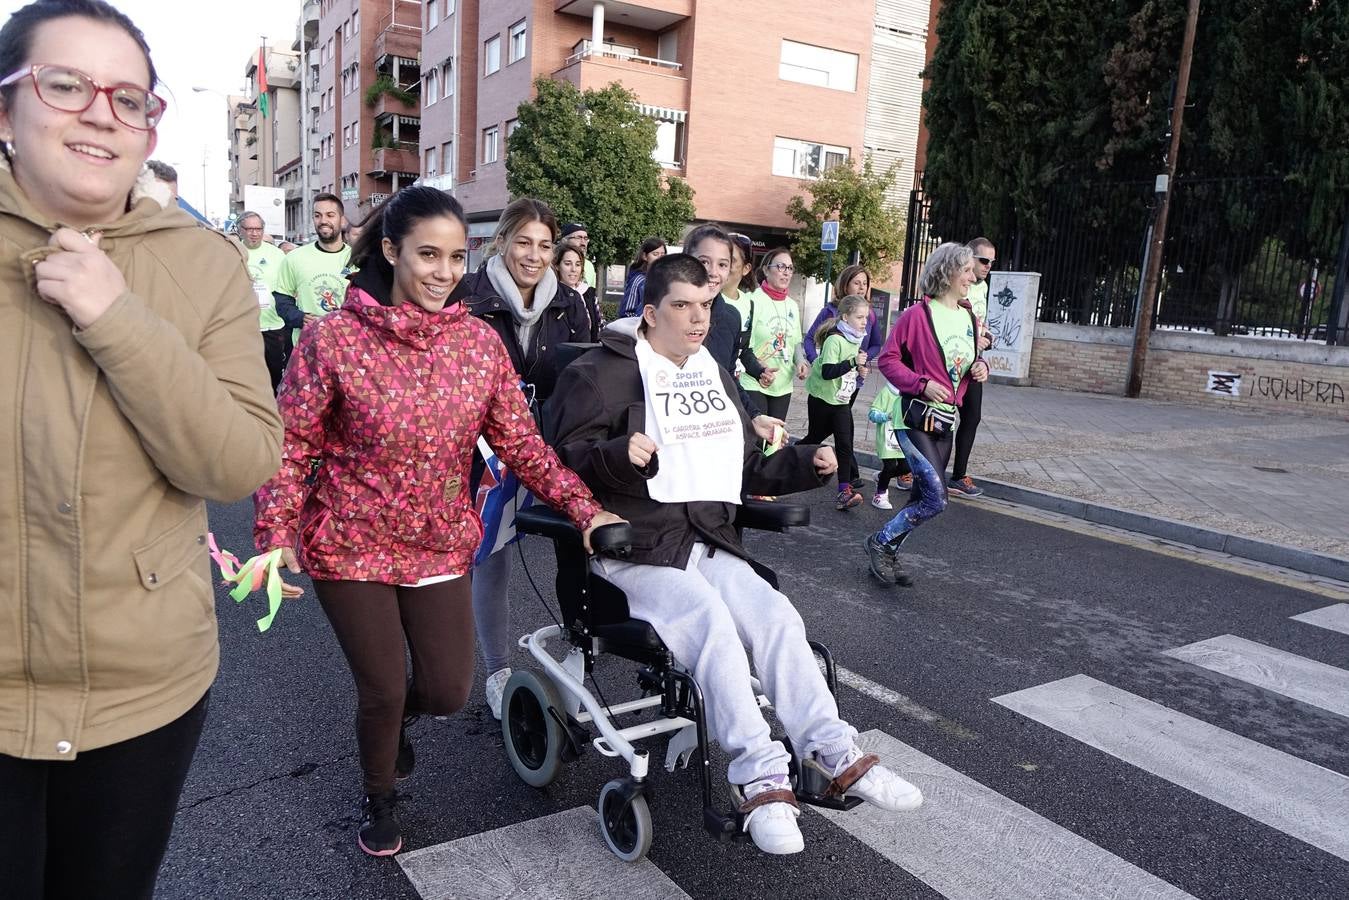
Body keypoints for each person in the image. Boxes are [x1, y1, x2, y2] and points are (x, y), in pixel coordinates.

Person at [0, 3, 283, 897]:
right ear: (5, 110)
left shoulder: (203, 266)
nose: (100, 113)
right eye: (65, 84)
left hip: (145, 688)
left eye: (130, 98)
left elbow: (238, 462)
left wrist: (117, 319)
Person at [254, 186, 620, 857]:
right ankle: (379, 794)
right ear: (392, 251)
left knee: (448, 690)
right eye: (427, 254)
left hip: (437, 541)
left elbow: (521, 444)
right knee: (383, 687)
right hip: (348, 541)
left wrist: (581, 505)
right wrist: (276, 532)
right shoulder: (332, 339)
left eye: (455, 257)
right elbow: (292, 442)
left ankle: (394, 727)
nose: (443, 271)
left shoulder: (478, 344)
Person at [547, 254, 923, 857]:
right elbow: (561, 466)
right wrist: (619, 453)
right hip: (633, 549)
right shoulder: (596, 375)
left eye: (706, 306)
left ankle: (832, 748)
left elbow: (741, 466)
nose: (699, 320)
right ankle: (760, 776)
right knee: (710, 621)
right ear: (650, 312)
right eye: (682, 307)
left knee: (776, 615)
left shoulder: (711, 373)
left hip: (705, 538)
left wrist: (805, 463)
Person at [456, 197, 594, 720]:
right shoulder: (468, 296)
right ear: (503, 241)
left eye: (544, 245)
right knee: (490, 553)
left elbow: (586, 376)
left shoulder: (571, 304)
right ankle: (495, 671)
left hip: (549, 441)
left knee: (575, 537)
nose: (534, 256)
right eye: (524, 243)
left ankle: (579, 645)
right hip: (483, 445)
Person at [867, 242, 989, 586]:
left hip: (945, 422)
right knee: (936, 498)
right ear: (946, 271)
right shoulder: (916, 316)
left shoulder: (968, 316)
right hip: (915, 419)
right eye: (965, 270)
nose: (971, 276)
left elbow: (968, 361)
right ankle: (878, 543)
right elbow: (888, 360)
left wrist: (981, 366)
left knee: (921, 499)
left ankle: (888, 551)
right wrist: (920, 384)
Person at [801, 294, 871, 510]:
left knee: (845, 443)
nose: (864, 322)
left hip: (840, 401)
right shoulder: (834, 340)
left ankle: (844, 490)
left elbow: (847, 372)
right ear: (846, 317)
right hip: (822, 399)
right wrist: (852, 362)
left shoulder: (854, 338)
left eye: (866, 318)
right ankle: (790, 456)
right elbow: (830, 371)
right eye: (859, 317)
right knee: (815, 438)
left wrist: (860, 371)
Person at [948, 237, 997, 497]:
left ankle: (958, 476)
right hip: (950, 361)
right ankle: (905, 469)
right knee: (937, 419)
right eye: (983, 260)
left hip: (973, 362)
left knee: (971, 417)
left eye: (992, 261)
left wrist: (985, 336)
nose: (988, 266)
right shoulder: (956, 284)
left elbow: (977, 322)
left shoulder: (984, 287)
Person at [273, 192, 353, 345]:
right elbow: (282, 300)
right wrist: (299, 317)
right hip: (307, 348)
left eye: (330, 215)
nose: (323, 221)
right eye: (317, 215)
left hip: (346, 347)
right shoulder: (294, 257)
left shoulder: (357, 258)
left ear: (342, 220)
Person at [738, 247, 808, 421]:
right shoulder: (752, 300)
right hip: (755, 380)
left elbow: (796, 341)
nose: (786, 273)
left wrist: (800, 361)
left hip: (783, 383)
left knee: (775, 441)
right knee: (758, 440)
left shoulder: (792, 305)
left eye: (790, 268)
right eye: (780, 267)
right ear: (766, 270)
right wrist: (760, 369)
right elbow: (743, 344)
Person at [803, 264, 884, 384]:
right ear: (845, 286)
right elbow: (809, 339)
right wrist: (814, 361)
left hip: (852, 380)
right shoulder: (829, 312)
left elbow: (876, 345)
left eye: (865, 283)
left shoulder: (870, 315)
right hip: (827, 380)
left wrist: (864, 357)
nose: (862, 287)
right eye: (857, 283)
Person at [237, 210, 290, 392]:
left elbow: (288, 287)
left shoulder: (277, 255)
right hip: (243, 326)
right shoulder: (233, 251)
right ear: (240, 230)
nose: (254, 233)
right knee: (247, 377)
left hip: (273, 325)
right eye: (249, 229)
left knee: (274, 374)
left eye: (258, 229)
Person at [867, 376, 913, 507]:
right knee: (890, 466)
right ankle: (880, 495)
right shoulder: (887, 392)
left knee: (907, 467)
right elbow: (872, 414)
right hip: (886, 438)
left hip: (903, 439)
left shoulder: (911, 394)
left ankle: (882, 477)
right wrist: (887, 416)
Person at [553, 233, 601, 340]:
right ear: (557, 266)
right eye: (568, 263)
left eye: (578, 264)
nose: (574, 269)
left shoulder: (589, 293)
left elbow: (598, 326)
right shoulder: (551, 294)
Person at [619, 235, 666, 317]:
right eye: (655, 254)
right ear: (645, 256)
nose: (660, 258)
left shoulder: (667, 280)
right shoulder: (639, 281)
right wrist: (641, 327)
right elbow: (626, 313)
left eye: (662, 255)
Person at [559, 220, 597, 293]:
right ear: (564, 241)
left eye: (585, 239)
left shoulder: (589, 266)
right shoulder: (552, 263)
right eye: (578, 238)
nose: (583, 243)